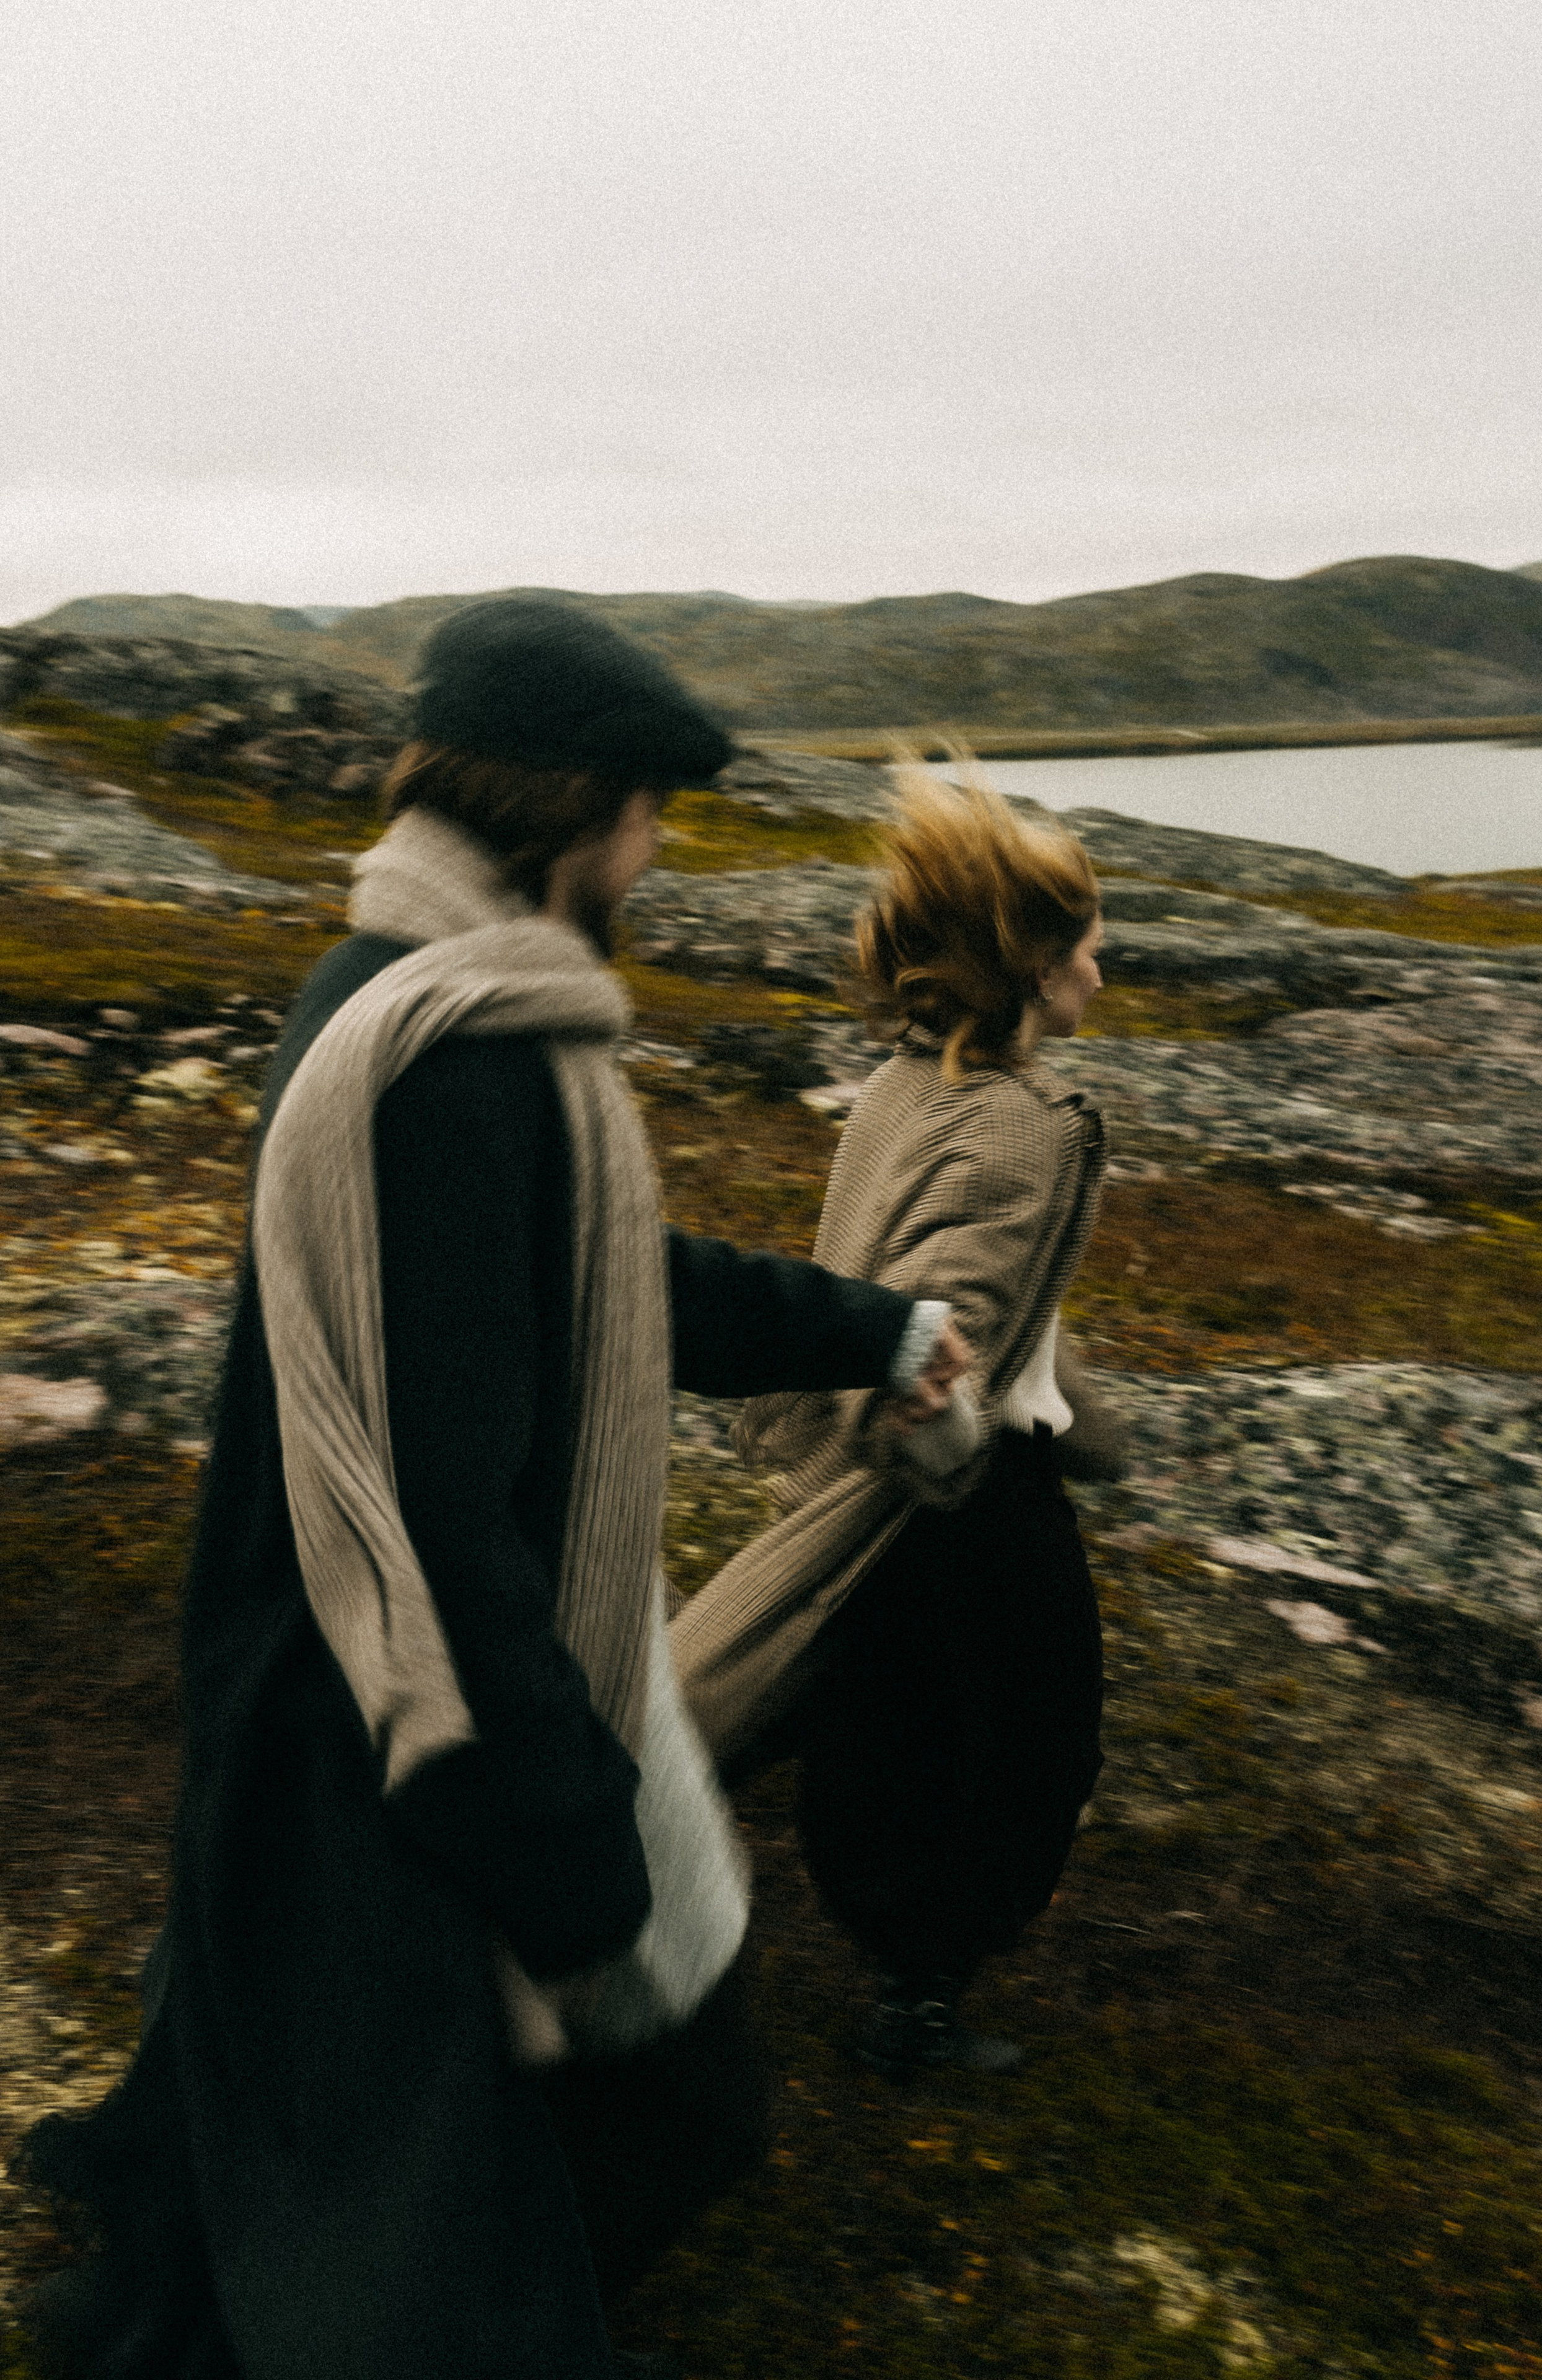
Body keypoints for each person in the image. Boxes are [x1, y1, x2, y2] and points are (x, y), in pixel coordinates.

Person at [20, 599, 969, 2380]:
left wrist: (870, 1326)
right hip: (384, 1711)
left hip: (353, 1686)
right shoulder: (440, 1062)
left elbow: (604, 1281)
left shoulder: (448, 1004)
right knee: (479, 2186)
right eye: (648, 817)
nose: (661, 854)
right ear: (579, 809)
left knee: (341, 2113)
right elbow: (439, 1515)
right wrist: (551, 1826)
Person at [671, 764, 1129, 2079]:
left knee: (875, 1713)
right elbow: (946, 1326)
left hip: (886, 1470)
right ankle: (918, 1993)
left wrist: (1086, 1417)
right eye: (1085, 941)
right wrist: (974, 1462)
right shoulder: (1021, 1129)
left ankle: (892, 1970)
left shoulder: (906, 1083)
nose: (1101, 966)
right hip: (950, 1493)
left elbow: (986, 1303)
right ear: (1034, 960)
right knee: (1025, 1737)